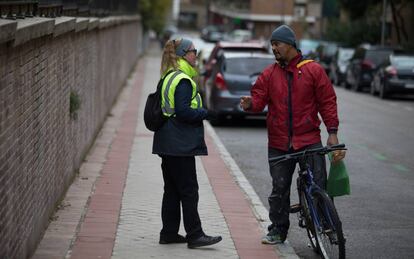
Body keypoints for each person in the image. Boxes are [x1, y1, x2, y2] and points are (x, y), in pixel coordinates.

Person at [239, 25, 346, 244]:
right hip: (279, 143)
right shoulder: (269, 74)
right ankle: (278, 229)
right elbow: (258, 99)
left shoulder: (313, 70)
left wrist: (332, 132)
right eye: (272, 45)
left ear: (290, 45)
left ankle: (327, 225)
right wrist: (251, 104)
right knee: (279, 189)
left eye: (277, 44)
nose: (274, 48)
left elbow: (328, 102)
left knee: (319, 185)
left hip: (309, 140)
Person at [152, 38, 222, 249]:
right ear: (184, 54)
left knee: (172, 189)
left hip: (167, 141)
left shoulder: (168, 75)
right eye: (194, 51)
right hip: (179, 144)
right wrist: (206, 113)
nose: (196, 55)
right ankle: (195, 235)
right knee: (189, 190)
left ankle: (169, 233)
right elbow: (183, 111)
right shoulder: (183, 80)